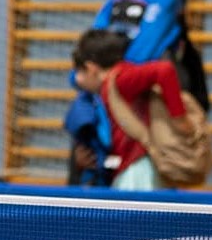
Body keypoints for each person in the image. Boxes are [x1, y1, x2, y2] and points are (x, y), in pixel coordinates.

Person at [69, 0, 187, 186]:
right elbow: (87, 51)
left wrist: (101, 75)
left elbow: (140, 56)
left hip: (140, 113)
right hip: (107, 106)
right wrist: (85, 74)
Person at [71, 27, 195, 191]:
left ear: (91, 68)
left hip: (139, 171)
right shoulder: (105, 89)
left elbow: (165, 70)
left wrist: (179, 118)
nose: (77, 79)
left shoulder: (121, 79)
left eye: (79, 71)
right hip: (130, 169)